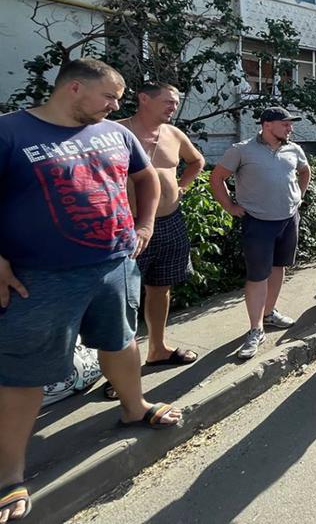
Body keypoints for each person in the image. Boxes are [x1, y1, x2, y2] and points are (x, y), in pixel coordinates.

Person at [0, 59, 182, 521]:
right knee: (25, 372)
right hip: (37, 277)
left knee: (121, 341)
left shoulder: (116, 133)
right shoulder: (11, 133)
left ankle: (134, 408)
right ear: (74, 88)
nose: (116, 105)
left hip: (114, 263)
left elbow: (145, 179)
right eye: (109, 97)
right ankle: (9, 475)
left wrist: (143, 225)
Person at [211, 107, 311, 360]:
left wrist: (299, 196)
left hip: (288, 219)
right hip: (258, 222)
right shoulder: (242, 150)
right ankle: (256, 329)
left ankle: (270, 314)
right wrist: (230, 207)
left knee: (279, 268)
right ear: (267, 125)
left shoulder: (293, 149)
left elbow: (304, 170)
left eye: (291, 124)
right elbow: (217, 177)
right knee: (257, 276)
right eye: (285, 124)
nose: (291, 128)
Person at [120, 84, 204, 369]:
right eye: (168, 101)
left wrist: (182, 186)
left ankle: (157, 349)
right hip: (127, 228)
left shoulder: (173, 134)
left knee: (160, 288)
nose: (173, 107)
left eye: (176, 102)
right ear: (144, 98)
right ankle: (120, 370)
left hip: (169, 222)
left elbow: (196, 161)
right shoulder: (114, 132)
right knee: (120, 300)